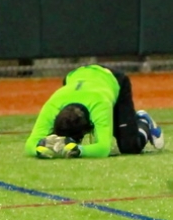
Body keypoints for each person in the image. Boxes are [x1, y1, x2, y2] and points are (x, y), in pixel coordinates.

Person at [26, 64, 164, 158]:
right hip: (75, 76)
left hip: (113, 80)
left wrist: (78, 150)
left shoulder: (100, 105)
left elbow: (103, 149)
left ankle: (143, 120)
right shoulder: (53, 105)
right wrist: (40, 149)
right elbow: (29, 144)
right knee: (116, 130)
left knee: (129, 146)